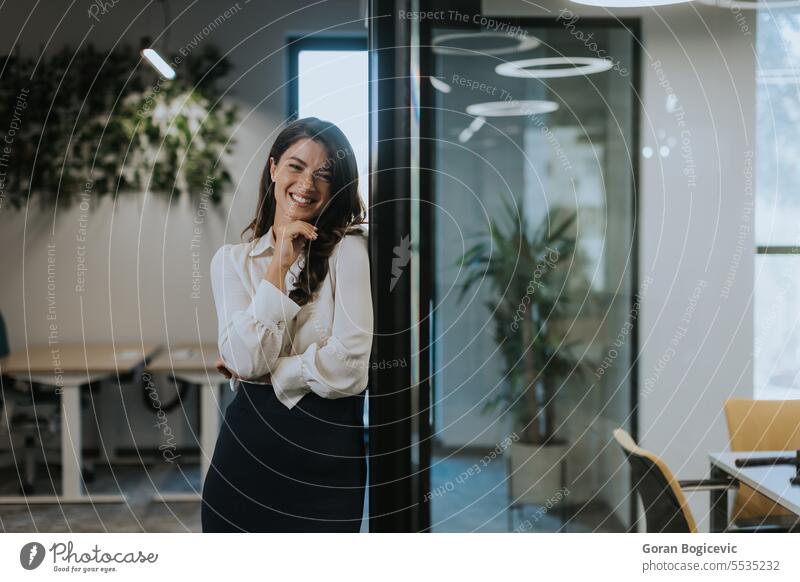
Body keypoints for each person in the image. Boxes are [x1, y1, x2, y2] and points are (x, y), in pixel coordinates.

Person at [201, 117, 372, 532]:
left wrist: (270, 371)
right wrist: (279, 264)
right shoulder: (231, 261)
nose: (307, 183)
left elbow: (350, 366)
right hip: (246, 452)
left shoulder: (348, 250)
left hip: (328, 455)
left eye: (324, 174)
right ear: (274, 168)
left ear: (337, 186)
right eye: (296, 167)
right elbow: (245, 357)